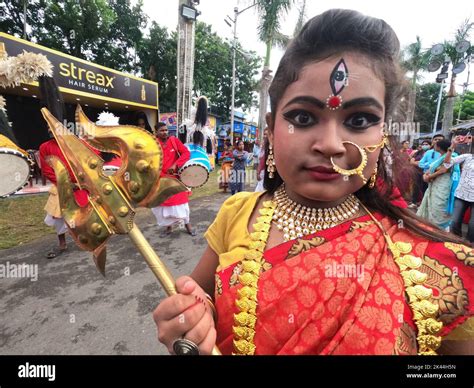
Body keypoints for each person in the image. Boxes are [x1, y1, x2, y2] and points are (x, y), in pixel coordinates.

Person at [153, 9, 473, 355]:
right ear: (272, 128)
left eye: (360, 119)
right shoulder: (238, 212)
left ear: (383, 133)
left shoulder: (434, 264)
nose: (331, 144)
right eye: (303, 118)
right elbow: (200, 305)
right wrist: (188, 328)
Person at [38, 76, 89, 258]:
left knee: (81, 215)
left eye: (54, 128)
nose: (51, 131)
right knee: (57, 217)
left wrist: (79, 182)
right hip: (60, 187)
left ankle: (84, 239)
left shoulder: (71, 143)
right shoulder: (45, 147)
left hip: (78, 187)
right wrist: (65, 183)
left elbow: (81, 162)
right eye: (49, 128)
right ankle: (62, 244)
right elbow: (47, 170)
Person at [151, 122, 196, 237]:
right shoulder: (152, 144)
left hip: (175, 179)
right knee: (163, 205)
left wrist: (176, 164)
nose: (165, 132)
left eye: (166, 130)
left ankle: (188, 226)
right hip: (160, 180)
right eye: (162, 130)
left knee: (182, 204)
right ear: (156, 131)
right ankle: (168, 227)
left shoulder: (174, 140)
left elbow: (186, 153)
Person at [416, 140, 460, 230]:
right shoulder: (440, 157)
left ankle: (440, 229)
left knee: (439, 206)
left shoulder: (452, 156)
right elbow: (432, 168)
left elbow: (444, 169)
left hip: (443, 185)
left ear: (439, 147)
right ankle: (430, 227)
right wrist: (426, 175)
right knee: (431, 205)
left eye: (435, 144)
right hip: (434, 184)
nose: (433, 145)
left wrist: (429, 177)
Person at [445, 136, 474, 243]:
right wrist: (453, 145)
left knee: (472, 225)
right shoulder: (468, 157)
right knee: (455, 221)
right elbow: (447, 163)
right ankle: (455, 243)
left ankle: (469, 247)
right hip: (461, 194)